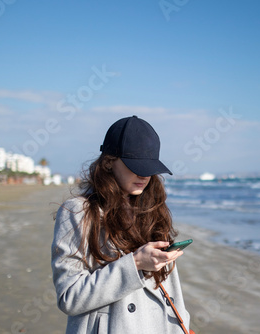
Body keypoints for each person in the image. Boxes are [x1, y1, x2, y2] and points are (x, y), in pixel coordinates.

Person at [51, 115, 191, 333]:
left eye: (149, 167)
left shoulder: (153, 209)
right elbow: (69, 297)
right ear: (108, 162)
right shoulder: (79, 212)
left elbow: (172, 293)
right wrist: (134, 263)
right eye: (135, 165)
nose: (144, 175)